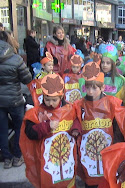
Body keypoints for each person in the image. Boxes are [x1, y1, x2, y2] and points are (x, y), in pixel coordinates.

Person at [20, 74, 81, 187]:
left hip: (66, 157)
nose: (51, 103)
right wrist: (46, 127)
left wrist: (75, 129)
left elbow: (76, 119)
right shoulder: (35, 112)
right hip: (46, 160)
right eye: (47, 100)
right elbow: (30, 133)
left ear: (61, 96)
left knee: (67, 181)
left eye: (54, 100)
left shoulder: (69, 109)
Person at [74, 62, 125, 187]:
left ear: (102, 88)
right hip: (88, 151)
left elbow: (120, 121)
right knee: (90, 180)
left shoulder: (112, 103)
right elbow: (73, 117)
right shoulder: (80, 104)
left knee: (107, 179)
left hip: (107, 149)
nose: (90, 92)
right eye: (88, 88)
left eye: (94, 88)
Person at [0, 31, 32, 169]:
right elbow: (27, 79)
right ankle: (18, 156)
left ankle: (6, 158)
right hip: (14, 99)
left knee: (2, 129)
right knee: (19, 127)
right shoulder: (15, 58)